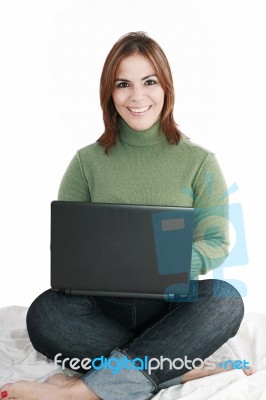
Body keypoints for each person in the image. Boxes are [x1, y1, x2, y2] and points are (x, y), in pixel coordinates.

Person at [0, 31, 247, 400]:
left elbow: (217, 243)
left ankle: (80, 391)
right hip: (102, 308)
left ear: (165, 87)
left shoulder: (199, 162)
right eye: (123, 84)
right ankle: (173, 367)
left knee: (225, 300)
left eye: (149, 82)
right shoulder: (86, 162)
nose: (137, 96)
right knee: (45, 314)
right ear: (109, 93)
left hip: (169, 305)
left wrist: (162, 264)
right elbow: (71, 246)